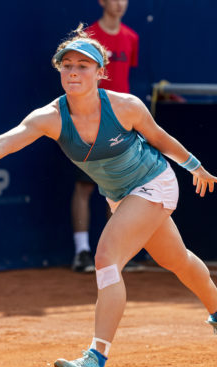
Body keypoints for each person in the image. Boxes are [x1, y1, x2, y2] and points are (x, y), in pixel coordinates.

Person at [0, 26, 217, 367]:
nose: (74, 72)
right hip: (121, 195)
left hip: (155, 183)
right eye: (67, 66)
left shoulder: (126, 106)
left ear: (100, 72)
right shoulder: (49, 117)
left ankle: (96, 361)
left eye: (84, 65)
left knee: (106, 258)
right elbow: (2, 144)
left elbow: (160, 138)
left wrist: (195, 166)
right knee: (175, 259)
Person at [70, 0, 139, 273]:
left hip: (121, 126)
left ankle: (115, 254)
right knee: (85, 187)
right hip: (90, 123)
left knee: (120, 190)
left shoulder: (132, 37)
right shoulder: (88, 39)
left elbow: (123, 81)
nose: (120, 3)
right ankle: (82, 252)